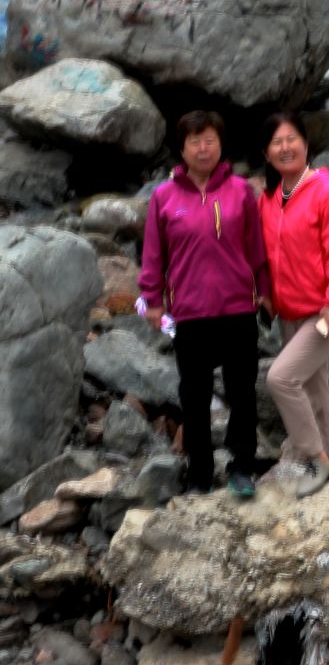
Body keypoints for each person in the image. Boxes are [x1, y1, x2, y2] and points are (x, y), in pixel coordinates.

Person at [140, 110, 267, 500]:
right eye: (194, 141)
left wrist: (263, 289)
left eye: (209, 139)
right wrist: (152, 301)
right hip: (189, 314)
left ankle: (242, 467)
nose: (203, 147)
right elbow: (153, 255)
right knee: (193, 398)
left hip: (237, 310)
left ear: (220, 144)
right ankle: (199, 473)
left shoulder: (241, 191)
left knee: (243, 393)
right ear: (182, 149)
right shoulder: (164, 197)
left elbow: (256, 246)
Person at [260, 112, 329, 494]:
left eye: (291, 139)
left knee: (280, 379)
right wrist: (264, 291)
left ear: (306, 143)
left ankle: (316, 462)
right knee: (317, 398)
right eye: (276, 143)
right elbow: (264, 253)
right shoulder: (269, 199)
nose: (285, 148)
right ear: (267, 154)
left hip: (325, 312)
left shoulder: (327, 190)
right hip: (289, 313)